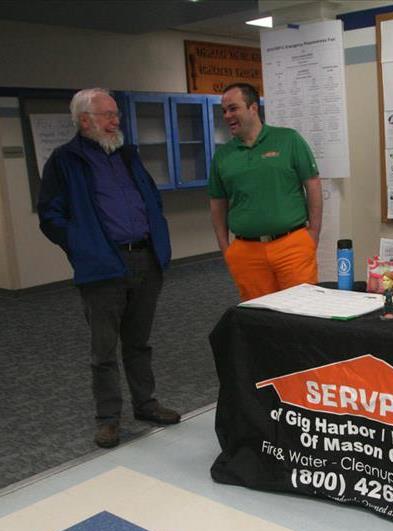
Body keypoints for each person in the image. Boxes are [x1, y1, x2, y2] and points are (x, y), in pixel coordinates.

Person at [38, 88, 180, 449]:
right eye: (107, 115)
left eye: (116, 113)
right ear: (84, 120)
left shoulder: (127, 154)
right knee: (103, 351)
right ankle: (108, 419)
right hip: (102, 264)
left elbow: (150, 196)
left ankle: (145, 404)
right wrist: (81, 244)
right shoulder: (65, 160)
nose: (116, 120)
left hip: (144, 258)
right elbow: (50, 215)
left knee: (139, 342)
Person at [208, 83, 322, 301]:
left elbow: (313, 184)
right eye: (224, 111)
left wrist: (313, 233)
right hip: (246, 251)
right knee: (259, 318)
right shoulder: (223, 156)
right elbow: (217, 202)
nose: (227, 116)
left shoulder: (288, 139)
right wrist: (225, 248)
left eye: (233, 108)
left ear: (253, 108)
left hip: (292, 245)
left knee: (302, 313)